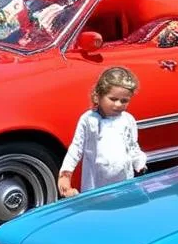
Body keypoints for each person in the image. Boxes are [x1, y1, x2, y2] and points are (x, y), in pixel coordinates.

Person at [58, 66, 147, 196]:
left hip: (124, 182)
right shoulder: (89, 120)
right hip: (96, 184)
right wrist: (65, 176)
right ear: (98, 96)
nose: (118, 104)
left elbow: (132, 145)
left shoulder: (128, 120)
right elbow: (76, 148)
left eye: (124, 101)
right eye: (113, 99)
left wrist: (140, 163)